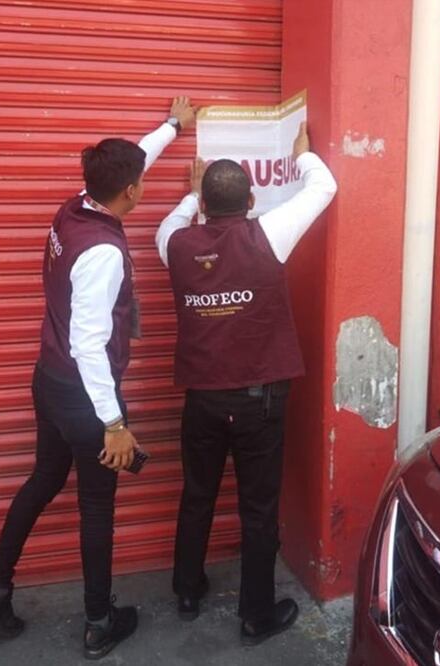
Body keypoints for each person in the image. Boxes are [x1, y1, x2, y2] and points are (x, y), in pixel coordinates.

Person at [0, 96, 197, 660]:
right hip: (86, 397)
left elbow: (129, 160)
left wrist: (170, 127)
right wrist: (113, 423)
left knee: (43, 478)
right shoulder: (105, 253)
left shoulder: (76, 207)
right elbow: (89, 345)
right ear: (133, 193)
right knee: (97, 506)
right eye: (139, 183)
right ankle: (98, 621)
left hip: (48, 378)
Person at [154, 121, 336, 645]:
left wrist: (190, 195)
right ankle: (256, 615)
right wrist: (302, 155)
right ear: (253, 198)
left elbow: (166, 225)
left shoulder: (176, 244)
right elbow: (324, 189)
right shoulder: (267, 234)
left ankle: (187, 591)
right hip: (259, 404)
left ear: (206, 204)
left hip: (203, 402)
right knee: (258, 510)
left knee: (197, 495)